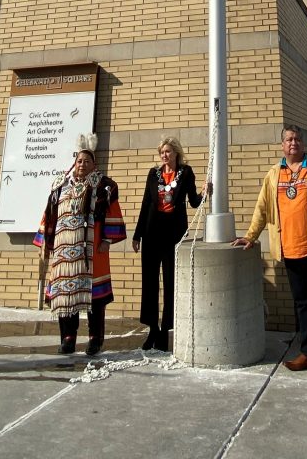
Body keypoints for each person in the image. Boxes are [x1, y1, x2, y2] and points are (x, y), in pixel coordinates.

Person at [234, 124, 307, 384]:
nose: (293, 143)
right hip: (290, 250)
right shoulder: (275, 174)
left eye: (296, 139)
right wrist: (250, 236)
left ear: (302, 144)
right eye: (288, 139)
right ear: (282, 145)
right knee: (304, 306)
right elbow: (262, 208)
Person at [34, 133, 126, 356]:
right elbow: (50, 213)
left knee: (95, 297)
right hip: (64, 252)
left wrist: (106, 239)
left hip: (91, 251)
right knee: (65, 294)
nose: (82, 164)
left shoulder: (103, 186)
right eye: (79, 161)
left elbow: (113, 212)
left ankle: (95, 338)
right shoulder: (61, 186)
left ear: (94, 164)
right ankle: (68, 337)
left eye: (86, 161)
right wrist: (45, 241)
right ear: (74, 163)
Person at [132, 137, 208, 351]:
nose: (164, 155)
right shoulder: (153, 174)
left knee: (170, 281)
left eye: (168, 151)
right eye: (162, 152)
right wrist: (137, 235)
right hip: (151, 232)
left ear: (176, 153)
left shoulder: (186, 172)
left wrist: (204, 193)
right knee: (150, 281)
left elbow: (193, 201)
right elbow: (146, 204)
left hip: (173, 234)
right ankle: (152, 330)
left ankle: (165, 331)